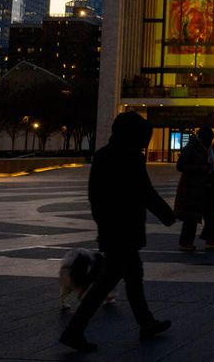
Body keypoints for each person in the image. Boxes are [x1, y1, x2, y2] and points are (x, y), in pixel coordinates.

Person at [60, 111, 176, 352]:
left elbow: (95, 196)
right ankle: (75, 331)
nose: (146, 142)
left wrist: (103, 223)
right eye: (145, 137)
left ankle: (146, 323)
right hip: (125, 230)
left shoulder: (103, 156)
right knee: (110, 283)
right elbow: (145, 192)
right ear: (134, 135)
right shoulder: (130, 157)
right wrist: (169, 216)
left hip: (113, 230)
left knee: (132, 278)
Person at [175, 126, 214, 251]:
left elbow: (212, 165)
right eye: (208, 139)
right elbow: (180, 166)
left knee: (210, 213)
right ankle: (185, 242)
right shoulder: (191, 148)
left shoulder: (209, 148)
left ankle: (210, 239)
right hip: (193, 187)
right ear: (201, 138)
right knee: (191, 216)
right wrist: (200, 168)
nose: (210, 142)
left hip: (208, 185)